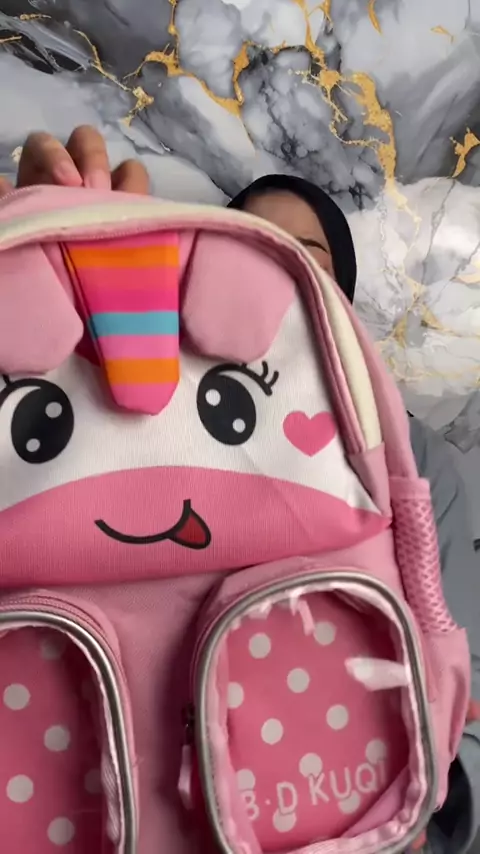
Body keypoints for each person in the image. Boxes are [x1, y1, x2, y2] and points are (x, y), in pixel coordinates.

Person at [2, 126, 479, 854]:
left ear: (337, 300)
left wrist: (425, 799)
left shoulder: (422, 458)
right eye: (252, 247)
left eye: (304, 260)